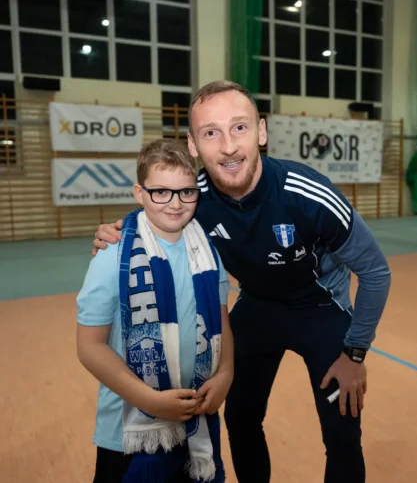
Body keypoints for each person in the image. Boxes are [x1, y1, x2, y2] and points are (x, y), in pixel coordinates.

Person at [92, 80, 392, 483]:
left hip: (321, 310)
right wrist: (118, 231)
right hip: (257, 307)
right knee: (241, 419)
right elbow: (155, 214)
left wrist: (355, 354)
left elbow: (376, 273)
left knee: (343, 435)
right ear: (193, 145)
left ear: (261, 132)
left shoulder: (309, 195)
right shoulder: (195, 198)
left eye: (239, 127)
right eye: (210, 133)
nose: (229, 146)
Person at [77, 138, 233, 483]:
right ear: (140, 192)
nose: (175, 203)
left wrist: (225, 375)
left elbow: (223, 325)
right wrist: (149, 400)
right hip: (128, 433)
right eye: (161, 192)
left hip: (196, 421)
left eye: (186, 192)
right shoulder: (113, 256)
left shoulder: (207, 253)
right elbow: (90, 347)